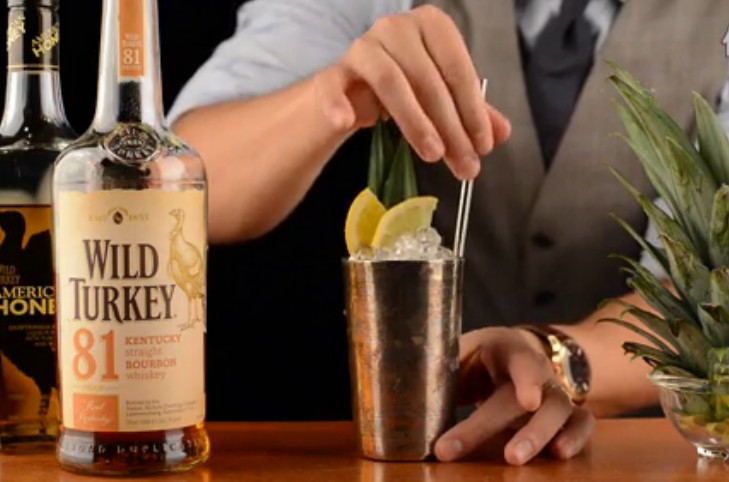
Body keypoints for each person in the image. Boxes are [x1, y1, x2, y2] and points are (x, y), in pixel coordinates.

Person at [167, 0, 729, 466]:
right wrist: (325, 99)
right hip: (427, 456)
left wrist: (555, 359)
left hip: (649, 459)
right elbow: (182, 185)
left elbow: (707, 291)